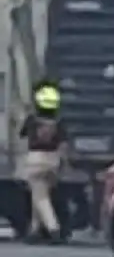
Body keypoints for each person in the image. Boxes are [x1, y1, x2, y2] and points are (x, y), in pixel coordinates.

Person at [19, 81, 68, 244]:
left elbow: (22, 134)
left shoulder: (33, 119)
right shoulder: (59, 121)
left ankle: (54, 229)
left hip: (36, 159)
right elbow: (63, 143)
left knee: (41, 198)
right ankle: (34, 230)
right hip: (53, 160)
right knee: (40, 194)